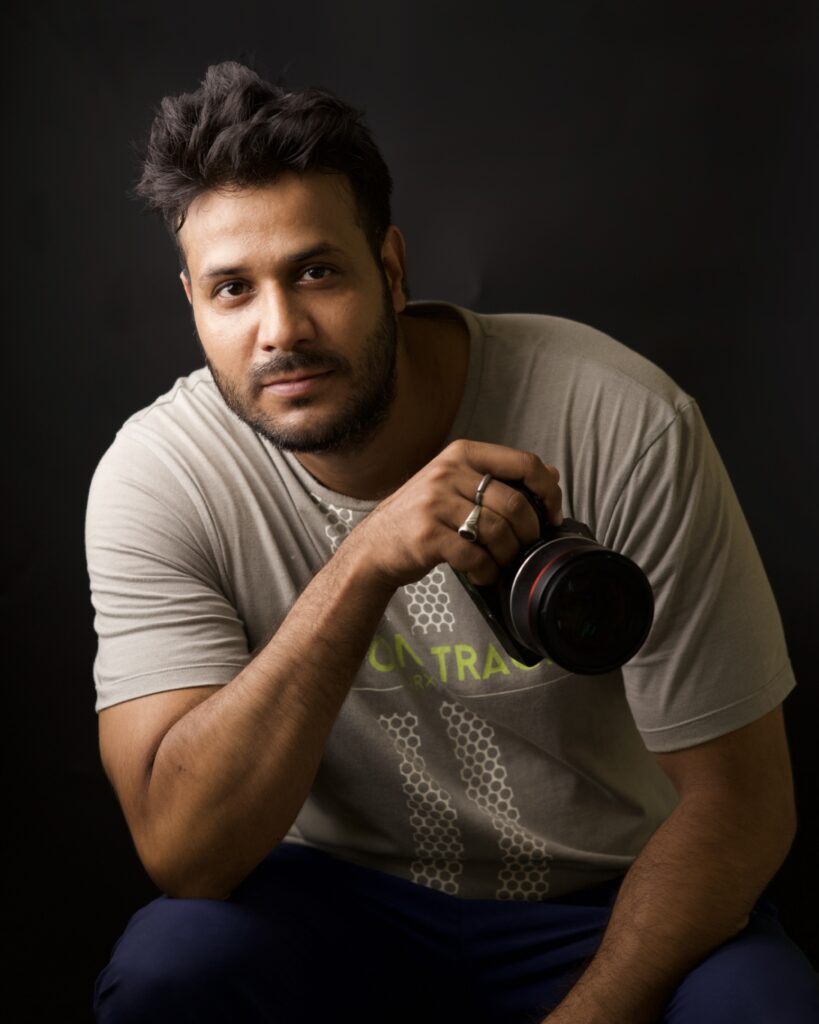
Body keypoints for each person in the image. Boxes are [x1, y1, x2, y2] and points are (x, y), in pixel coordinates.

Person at [86, 61, 818, 1023]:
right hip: (335, 906)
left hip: (603, 901)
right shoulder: (160, 474)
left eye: (316, 271)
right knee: (170, 970)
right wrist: (366, 560)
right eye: (233, 290)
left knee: (761, 1007)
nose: (280, 330)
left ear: (390, 269)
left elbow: (742, 803)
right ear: (193, 302)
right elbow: (186, 855)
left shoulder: (614, 417)